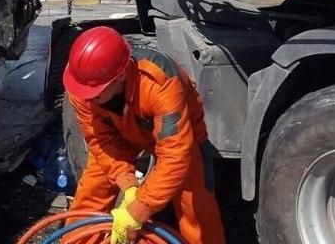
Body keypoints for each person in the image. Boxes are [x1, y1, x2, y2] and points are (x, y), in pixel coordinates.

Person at [62, 26, 226, 244]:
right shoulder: (82, 84)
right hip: (121, 135)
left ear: (120, 76)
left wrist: (140, 208)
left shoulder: (160, 82)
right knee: (91, 192)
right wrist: (128, 184)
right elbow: (100, 141)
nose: (87, 99)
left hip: (180, 140)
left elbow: (175, 156)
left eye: (95, 93)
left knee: (196, 207)